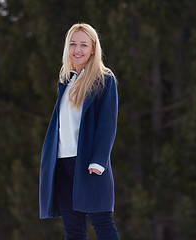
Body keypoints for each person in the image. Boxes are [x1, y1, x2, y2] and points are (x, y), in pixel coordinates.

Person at [39, 23, 120, 240]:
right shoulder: (67, 82)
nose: (77, 49)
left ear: (93, 48)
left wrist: (99, 160)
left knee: (102, 223)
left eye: (84, 44)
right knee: (73, 230)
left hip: (88, 164)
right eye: (73, 44)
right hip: (62, 164)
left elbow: (107, 124)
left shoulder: (104, 80)